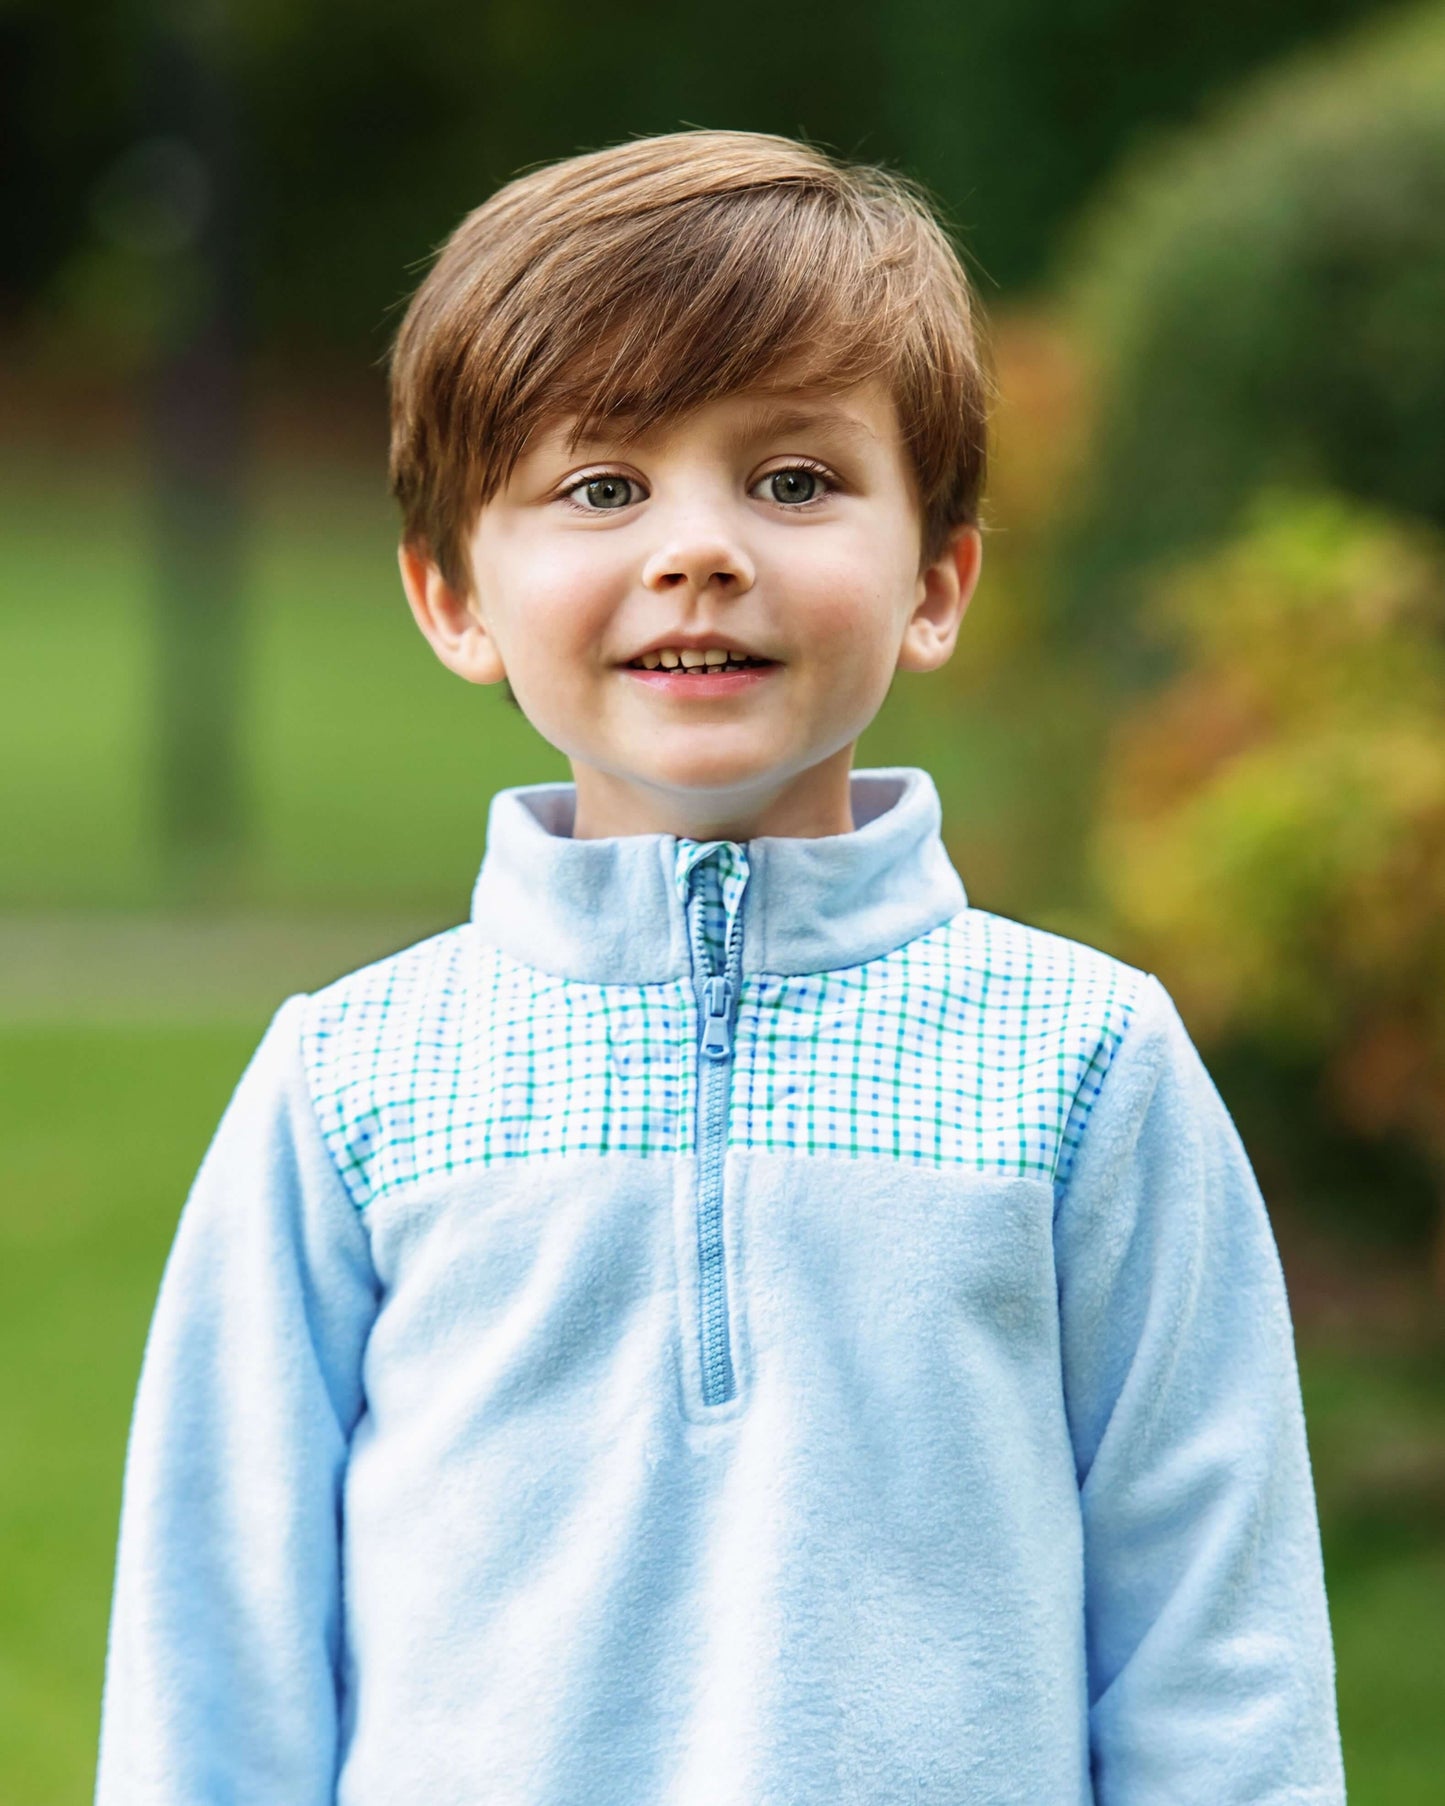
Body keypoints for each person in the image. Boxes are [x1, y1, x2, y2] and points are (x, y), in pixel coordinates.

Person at [94, 129, 1347, 1804]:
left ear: (938, 578)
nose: (701, 548)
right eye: (602, 487)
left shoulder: (1086, 1064)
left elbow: (1218, 1644)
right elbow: (214, 1650)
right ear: (452, 593)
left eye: (794, 480)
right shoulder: (348, 1081)